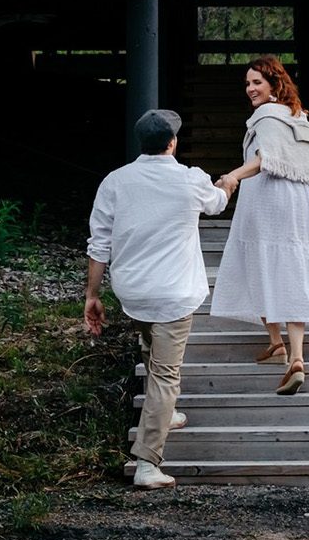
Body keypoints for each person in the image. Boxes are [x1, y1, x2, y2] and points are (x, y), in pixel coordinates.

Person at [85, 108, 231, 490]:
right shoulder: (191, 179)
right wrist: (228, 184)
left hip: (132, 291)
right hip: (174, 294)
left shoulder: (115, 181)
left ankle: (167, 412)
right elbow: (217, 203)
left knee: (151, 345)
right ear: (172, 143)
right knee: (166, 375)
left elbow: (99, 243)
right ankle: (148, 462)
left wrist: (92, 294)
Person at [209, 55, 309, 396]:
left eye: (256, 83)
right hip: (300, 202)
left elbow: (263, 160)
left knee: (260, 264)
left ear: (274, 84)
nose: (250, 89)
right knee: (292, 268)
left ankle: (280, 344)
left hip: (267, 198)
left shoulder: (265, 115)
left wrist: (233, 176)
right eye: (247, 84)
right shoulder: (298, 117)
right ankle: (290, 353)